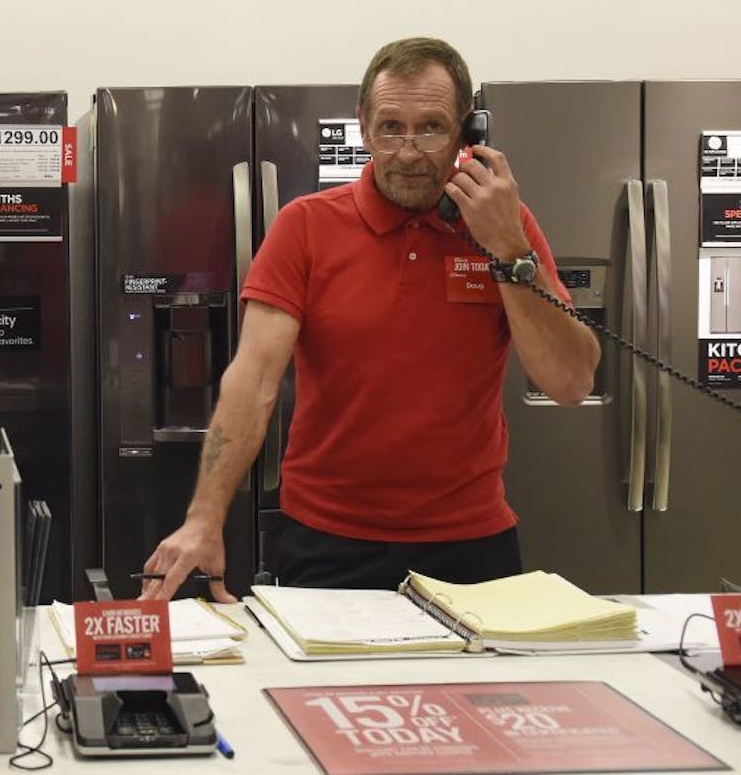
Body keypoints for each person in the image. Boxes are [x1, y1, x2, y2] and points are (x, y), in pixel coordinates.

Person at [141, 37, 601, 599]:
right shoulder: (305, 227)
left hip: (472, 544)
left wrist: (508, 249)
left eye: (432, 127)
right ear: (364, 128)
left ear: (467, 132)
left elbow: (571, 383)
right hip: (329, 544)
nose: (409, 152)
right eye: (390, 128)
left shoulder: (506, 228)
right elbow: (255, 377)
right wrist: (203, 519)